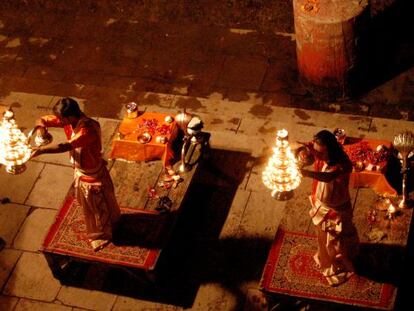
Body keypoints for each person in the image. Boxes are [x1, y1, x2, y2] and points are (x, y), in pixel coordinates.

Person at [31, 97, 120, 251]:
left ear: (70, 116)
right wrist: (41, 129)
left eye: (61, 119)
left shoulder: (87, 129)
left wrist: (41, 150)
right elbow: (42, 119)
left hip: (92, 175)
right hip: (81, 171)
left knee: (97, 207)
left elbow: (65, 145)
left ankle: (102, 234)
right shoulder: (70, 121)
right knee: (90, 205)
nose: (59, 121)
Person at [299, 130, 359, 286]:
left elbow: (329, 176)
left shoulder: (343, 164)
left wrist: (307, 173)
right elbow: (306, 149)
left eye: (320, 152)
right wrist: (302, 153)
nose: (317, 155)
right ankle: (326, 257)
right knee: (323, 236)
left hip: (337, 208)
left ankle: (340, 262)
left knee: (336, 240)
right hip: (322, 203)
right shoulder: (319, 150)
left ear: (329, 149)